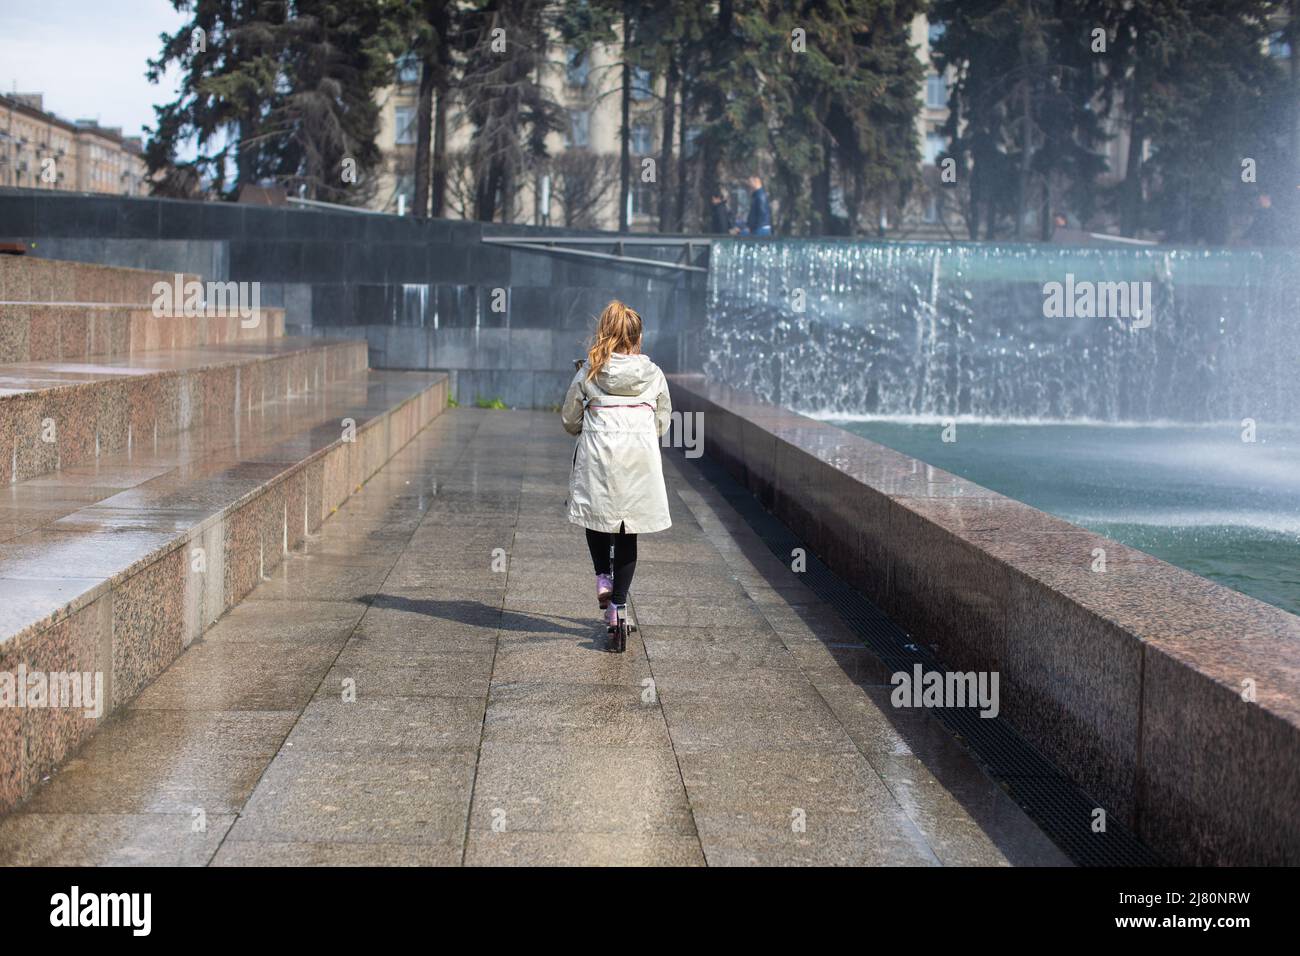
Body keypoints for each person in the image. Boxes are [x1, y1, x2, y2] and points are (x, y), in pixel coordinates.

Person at [561, 301, 672, 636]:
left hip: (598, 457)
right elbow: (661, 424)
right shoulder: (653, 375)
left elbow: (569, 420)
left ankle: (602, 577)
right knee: (628, 530)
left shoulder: (589, 372)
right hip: (639, 462)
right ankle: (618, 609)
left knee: (596, 516)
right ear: (637, 338)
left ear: (603, 333)